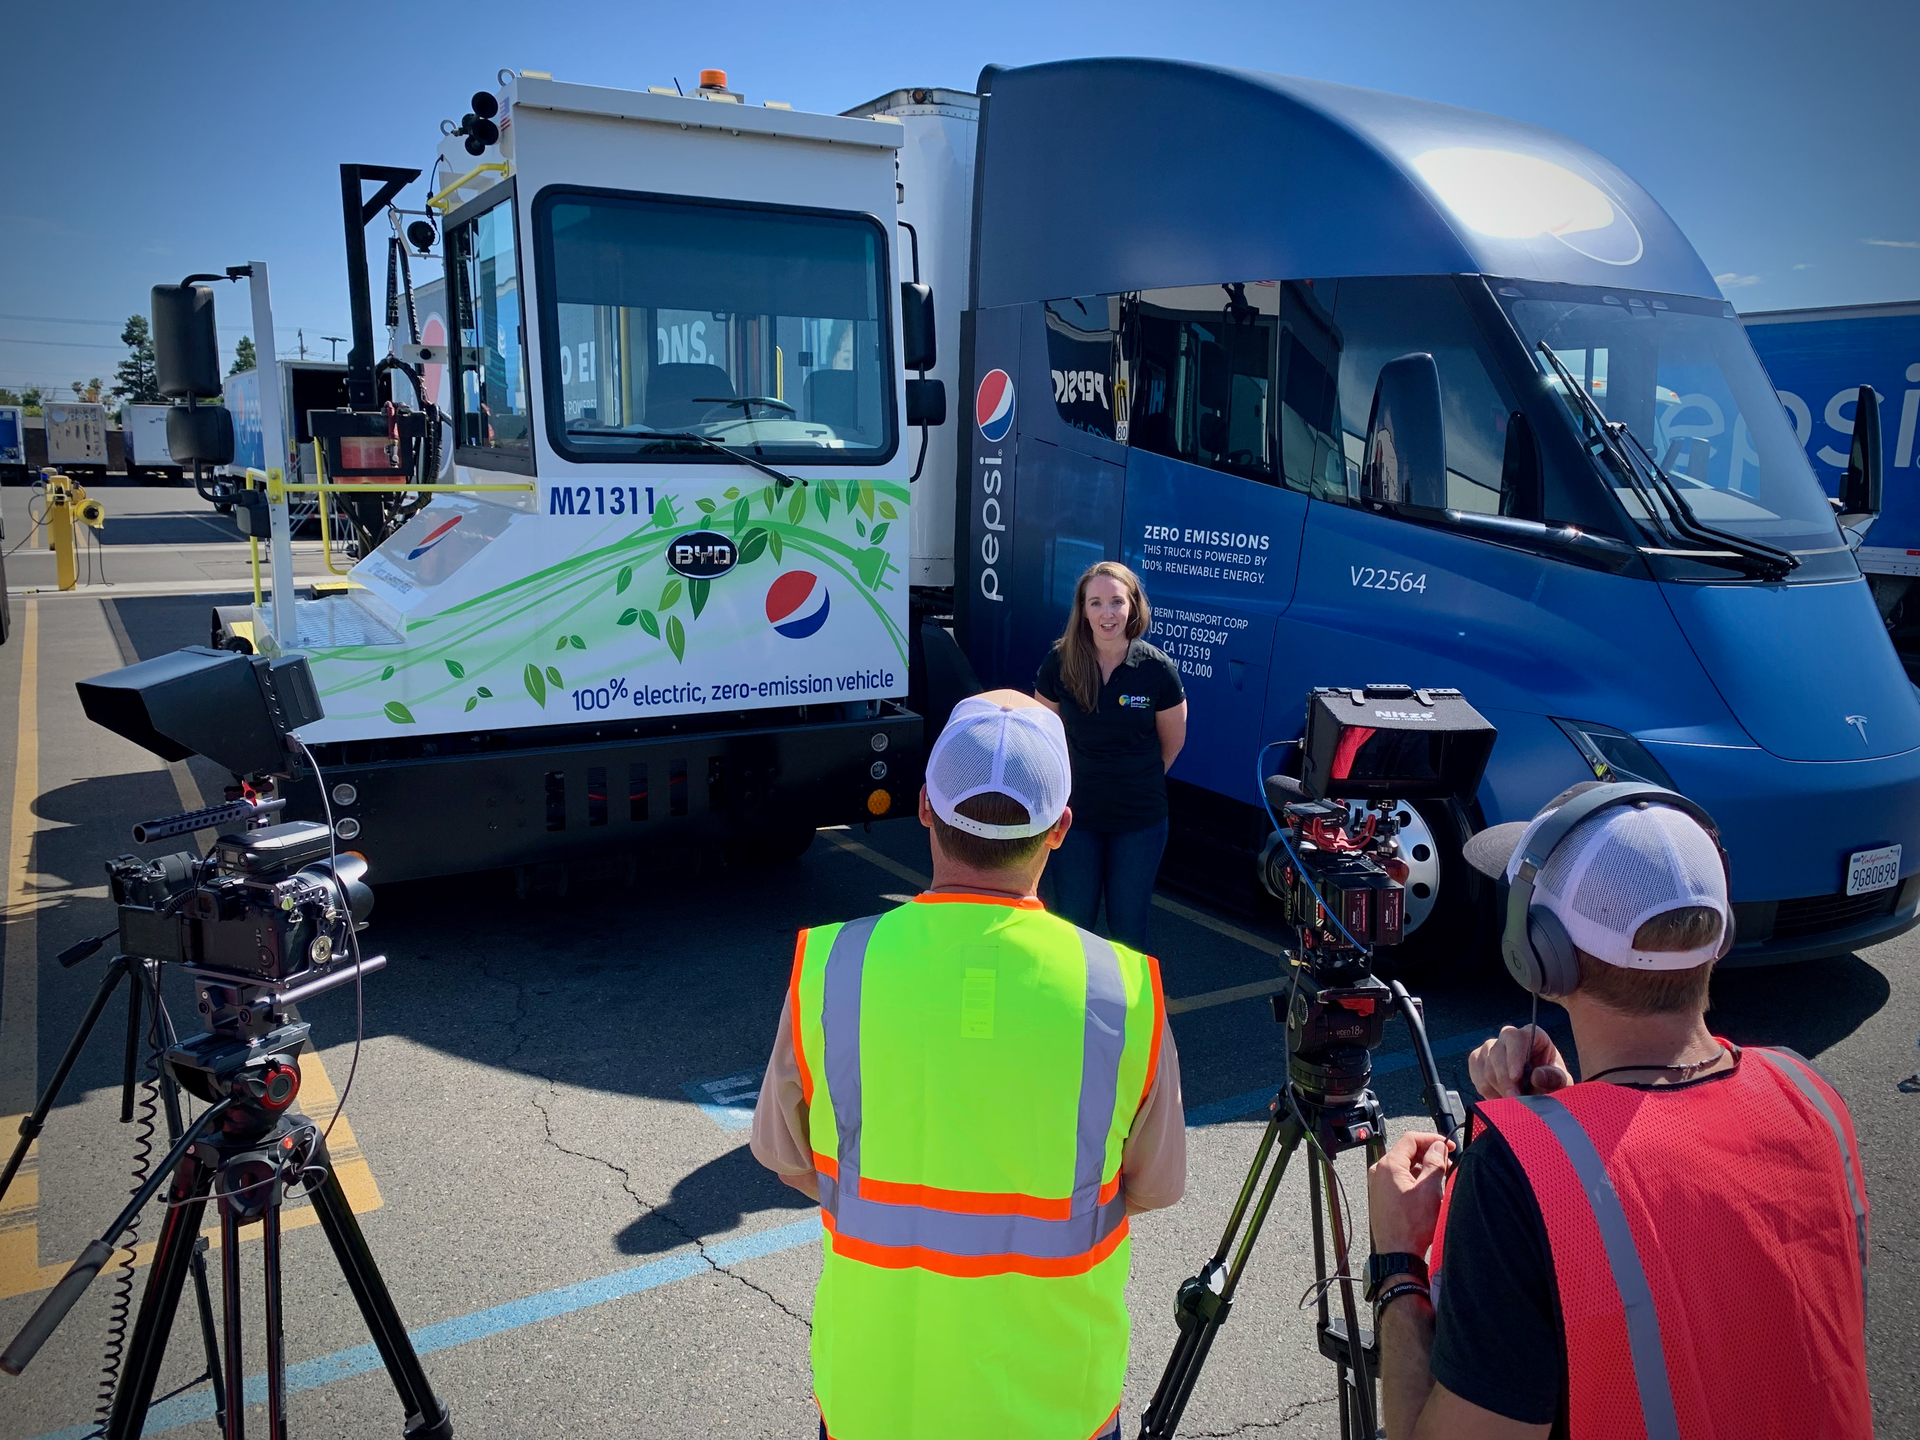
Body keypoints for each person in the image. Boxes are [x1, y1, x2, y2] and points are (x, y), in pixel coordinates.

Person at [1365, 783, 1872, 1440]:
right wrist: (1567, 1124)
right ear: (1719, 935)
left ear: (1539, 953)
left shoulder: (1510, 1181)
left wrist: (1397, 1262)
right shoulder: (1810, 1099)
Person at [750, 689, 1186, 1440]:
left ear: (924, 807)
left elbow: (786, 1159)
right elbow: (1155, 1186)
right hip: (1053, 1406)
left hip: (873, 1399)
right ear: (1060, 830)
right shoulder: (1124, 989)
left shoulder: (831, 966)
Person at [1034, 561, 1187, 953]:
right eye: (1097, 602)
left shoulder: (1157, 669)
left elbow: (1172, 744)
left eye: (1117, 602)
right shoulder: (1060, 662)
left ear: (1133, 607)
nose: (1107, 613)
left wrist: (1132, 780)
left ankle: (1134, 1015)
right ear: (1082, 609)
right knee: (1071, 928)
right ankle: (1069, 1013)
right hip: (1075, 818)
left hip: (1138, 820)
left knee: (1129, 934)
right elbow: (1042, 737)